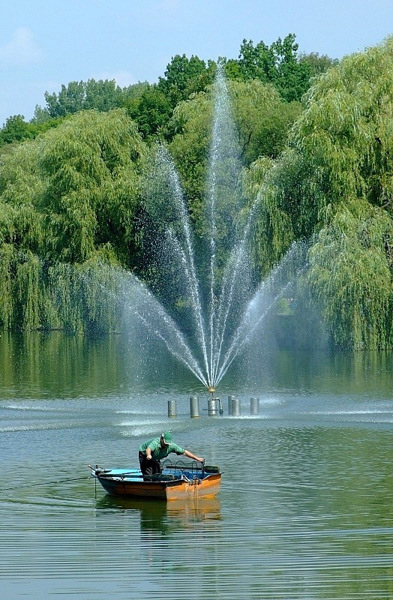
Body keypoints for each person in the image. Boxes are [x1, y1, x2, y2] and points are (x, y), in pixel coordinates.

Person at [139, 432, 204, 476]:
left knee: (158, 473)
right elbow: (149, 449)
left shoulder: (172, 446)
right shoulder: (155, 442)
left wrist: (197, 458)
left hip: (156, 457)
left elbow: (184, 452)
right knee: (148, 473)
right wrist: (148, 455)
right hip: (145, 454)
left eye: (167, 444)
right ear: (161, 439)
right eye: (165, 443)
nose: (166, 445)